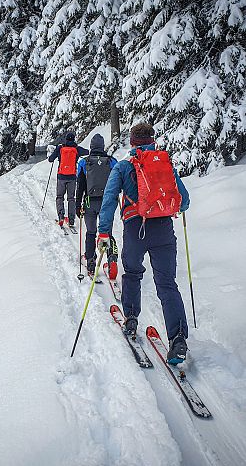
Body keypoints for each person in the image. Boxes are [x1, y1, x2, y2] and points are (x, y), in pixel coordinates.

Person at [97, 123, 190, 364]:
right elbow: (185, 200)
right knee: (167, 284)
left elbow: (109, 199)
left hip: (135, 228)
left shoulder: (124, 167)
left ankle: (131, 319)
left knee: (132, 274)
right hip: (163, 230)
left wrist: (104, 232)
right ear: (152, 139)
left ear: (132, 142)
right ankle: (178, 338)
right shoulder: (164, 163)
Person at [75, 133, 118, 277]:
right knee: (107, 233)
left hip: (89, 203)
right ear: (103, 146)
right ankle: (112, 261)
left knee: (91, 232)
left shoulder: (84, 162)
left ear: (91, 147)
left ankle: (91, 262)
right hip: (107, 203)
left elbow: (80, 185)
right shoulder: (112, 162)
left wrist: (77, 205)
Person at [48, 132, 88, 227]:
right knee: (71, 198)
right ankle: (71, 220)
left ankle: (61, 216)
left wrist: (57, 154)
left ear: (66, 139)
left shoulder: (60, 148)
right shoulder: (77, 149)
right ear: (74, 139)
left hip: (61, 176)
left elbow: (50, 159)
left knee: (60, 197)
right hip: (72, 177)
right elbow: (87, 152)